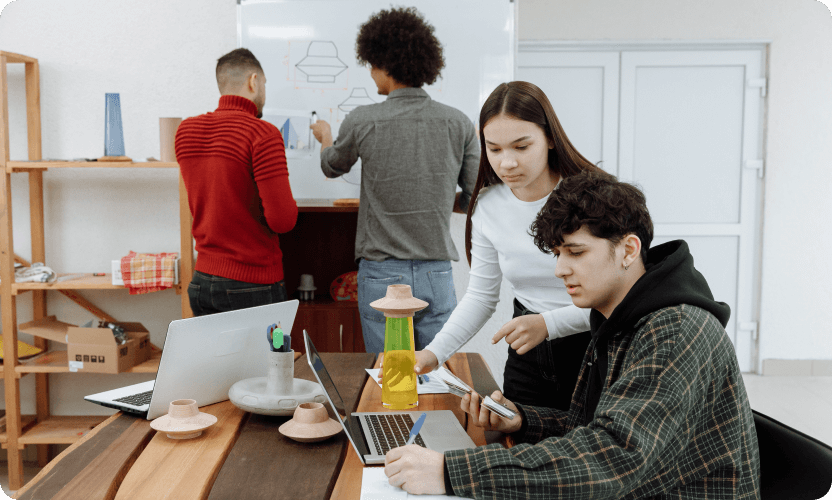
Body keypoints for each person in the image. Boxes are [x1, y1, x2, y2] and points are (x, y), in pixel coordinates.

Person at [383, 171, 760, 499]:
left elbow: (611, 458)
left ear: (628, 250)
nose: (560, 269)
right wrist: (522, 420)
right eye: (558, 253)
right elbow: (593, 428)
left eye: (576, 252)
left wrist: (449, 472)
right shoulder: (619, 316)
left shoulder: (673, 330)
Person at [416, 81, 603, 409]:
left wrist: (548, 324)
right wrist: (433, 353)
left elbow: (624, 297)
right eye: (495, 149)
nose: (507, 163)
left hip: (592, 347)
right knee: (516, 436)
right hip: (527, 351)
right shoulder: (489, 205)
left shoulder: (595, 198)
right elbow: (481, 297)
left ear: (549, 138)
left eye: (521, 147)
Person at [310, 7, 479, 352]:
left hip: (381, 273)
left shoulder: (363, 120)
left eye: (372, 65)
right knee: (437, 370)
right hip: (436, 273)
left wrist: (324, 136)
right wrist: (435, 198)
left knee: (388, 372)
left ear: (386, 65)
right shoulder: (458, 122)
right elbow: (475, 195)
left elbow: (331, 166)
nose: (371, 73)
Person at [176, 48, 298, 316]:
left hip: (203, 280)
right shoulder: (262, 133)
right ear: (254, 81)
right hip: (253, 284)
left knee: (213, 347)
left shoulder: (186, 131)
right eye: (264, 83)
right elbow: (283, 220)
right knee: (266, 348)